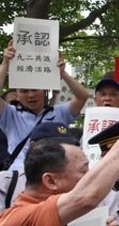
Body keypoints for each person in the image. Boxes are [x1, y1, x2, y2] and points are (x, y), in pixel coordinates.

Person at [0, 40, 90, 171]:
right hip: (19, 174)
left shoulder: (59, 113)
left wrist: (62, 74)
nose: (30, 95)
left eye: (35, 90)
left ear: (45, 91)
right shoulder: (10, 115)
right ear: (17, 95)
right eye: (24, 91)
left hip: (55, 174)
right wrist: (5, 64)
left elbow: (82, 96)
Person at [0, 121, 78, 212]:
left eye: (69, 147)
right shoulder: (7, 181)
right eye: (54, 148)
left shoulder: (77, 182)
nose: (62, 152)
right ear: (33, 146)